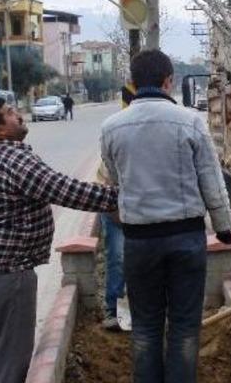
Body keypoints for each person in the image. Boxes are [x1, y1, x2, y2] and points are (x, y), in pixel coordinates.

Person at [100, 49, 231, 383]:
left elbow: (116, 180)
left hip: (139, 243)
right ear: (169, 81)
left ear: (133, 84)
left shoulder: (111, 127)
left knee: (146, 328)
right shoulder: (190, 121)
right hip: (185, 240)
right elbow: (212, 182)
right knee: (183, 328)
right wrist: (225, 232)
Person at [0, 98, 118, 383]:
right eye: (10, 114)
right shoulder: (15, 159)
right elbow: (63, 190)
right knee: (12, 360)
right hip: (9, 272)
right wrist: (117, 197)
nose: (19, 115)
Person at [97, 82, 137, 331]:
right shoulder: (116, 130)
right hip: (116, 211)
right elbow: (106, 181)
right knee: (118, 258)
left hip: (143, 212)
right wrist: (118, 216)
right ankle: (113, 309)